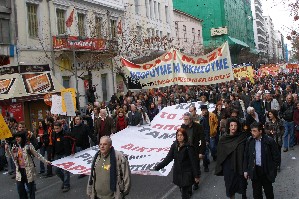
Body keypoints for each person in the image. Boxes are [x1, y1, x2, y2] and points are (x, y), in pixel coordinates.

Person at [155, 128, 199, 199]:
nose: (179, 137)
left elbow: (193, 162)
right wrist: (158, 167)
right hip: (178, 174)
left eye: (181, 135)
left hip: (186, 174)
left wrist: (196, 175)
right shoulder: (174, 145)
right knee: (183, 192)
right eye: (178, 135)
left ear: (184, 136)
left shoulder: (189, 147)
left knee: (185, 195)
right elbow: (168, 158)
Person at [5, 131, 51, 199]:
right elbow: (10, 156)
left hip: (28, 170)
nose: (17, 139)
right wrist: (7, 150)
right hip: (19, 170)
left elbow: (37, 155)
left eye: (18, 137)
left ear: (22, 137)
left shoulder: (28, 146)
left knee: (31, 189)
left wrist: (46, 161)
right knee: (20, 189)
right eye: (16, 137)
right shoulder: (15, 147)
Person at [243, 122, 280, 199]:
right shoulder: (250, 141)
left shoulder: (269, 141)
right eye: (251, 131)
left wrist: (273, 168)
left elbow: (276, 156)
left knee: (268, 192)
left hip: (266, 170)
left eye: (254, 131)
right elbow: (246, 156)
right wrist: (246, 170)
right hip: (255, 170)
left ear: (260, 131)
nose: (252, 133)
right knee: (256, 194)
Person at [215, 118, 248, 199]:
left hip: (240, 164)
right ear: (228, 127)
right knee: (230, 185)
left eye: (235, 125)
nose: (233, 127)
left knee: (242, 184)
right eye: (231, 125)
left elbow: (246, 152)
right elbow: (220, 153)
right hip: (228, 166)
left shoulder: (242, 137)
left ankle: (244, 196)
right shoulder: (223, 139)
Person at [181, 112, 205, 191]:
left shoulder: (198, 127)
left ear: (191, 119)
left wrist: (201, 152)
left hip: (195, 151)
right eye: (184, 119)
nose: (185, 121)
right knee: (187, 170)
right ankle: (189, 188)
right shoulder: (183, 127)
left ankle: (196, 182)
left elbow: (202, 140)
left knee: (195, 168)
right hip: (186, 152)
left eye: (186, 119)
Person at [53, 122, 76, 192]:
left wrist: (72, 151)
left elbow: (74, 140)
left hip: (65, 154)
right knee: (56, 170)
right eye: (55, 129)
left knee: (66, 171)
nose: (56, 130)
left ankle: (66, 185)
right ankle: (64, 180)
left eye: (57, 128)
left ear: (61, 127)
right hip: (57, 154)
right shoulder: (54, 134)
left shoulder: (66, 134)